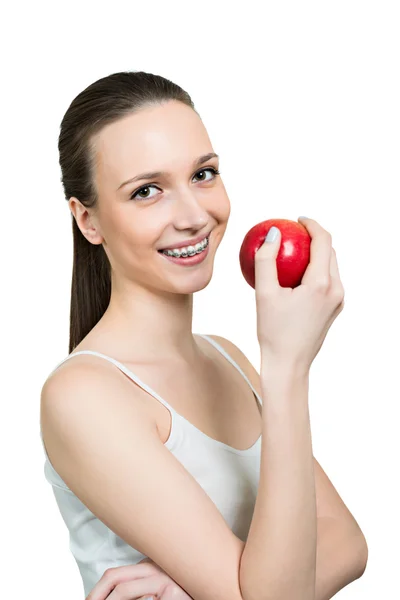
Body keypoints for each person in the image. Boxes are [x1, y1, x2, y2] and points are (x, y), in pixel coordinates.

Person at [39, 71, 367, 600]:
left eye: (203, 174)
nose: (195, 216)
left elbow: (349, 543)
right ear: (88, 220)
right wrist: (287, 366)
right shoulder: (83, 395)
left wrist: (202, 587)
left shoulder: (228, 358)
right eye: (147, 191)